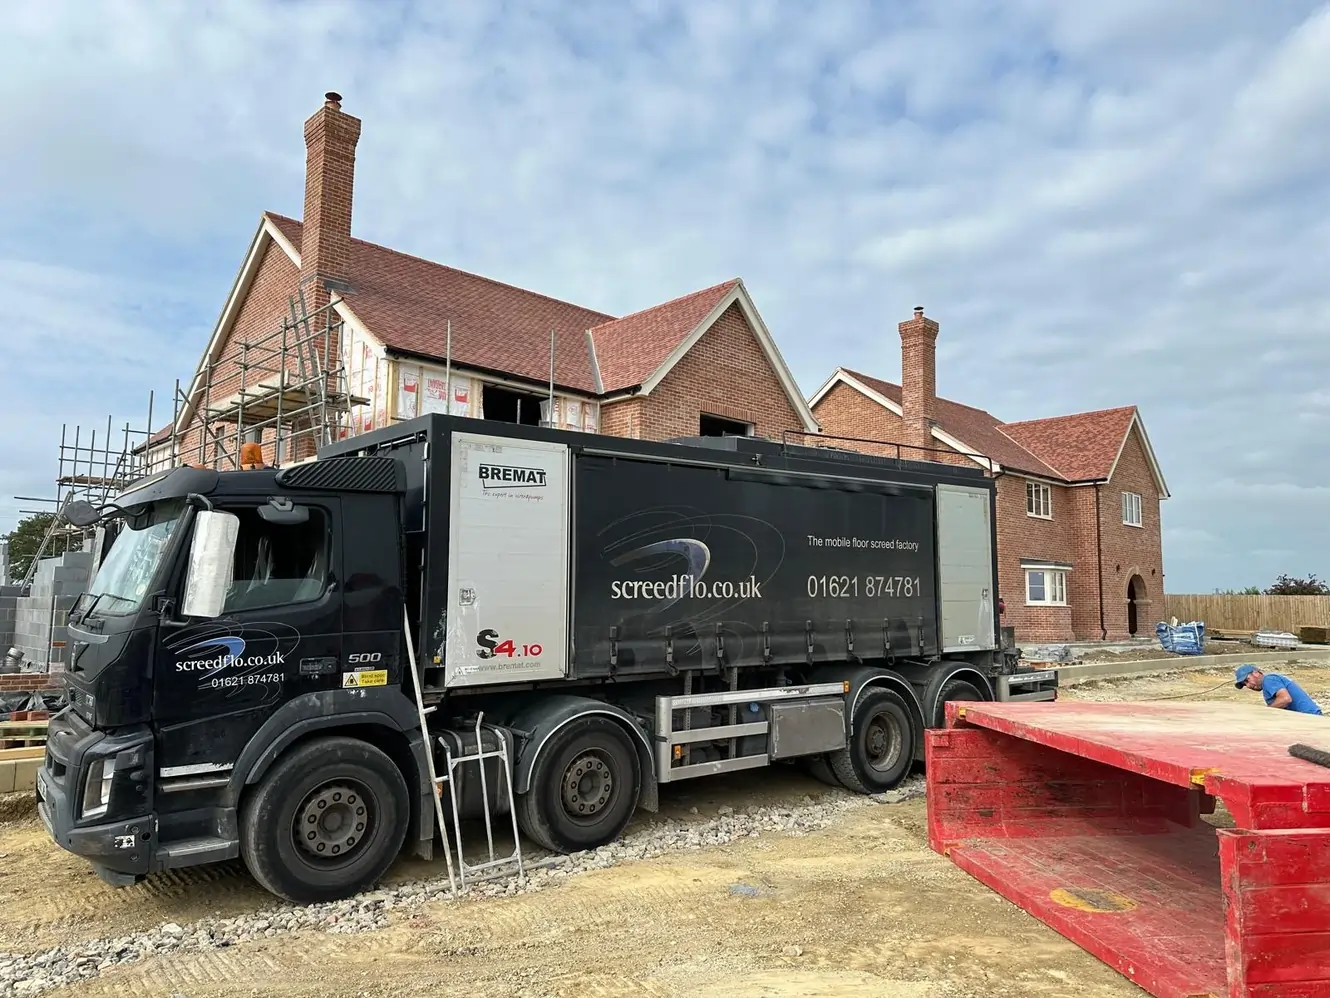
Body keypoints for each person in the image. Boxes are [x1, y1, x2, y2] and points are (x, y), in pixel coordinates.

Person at [1234, 664, 1324, 715]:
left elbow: (1285, 699)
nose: (1248, 686)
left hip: (1310, 718)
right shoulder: (1269, 683)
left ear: (1256, 673)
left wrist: (1265, 712)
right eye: (1245, 684)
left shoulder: (1269, 679)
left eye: (1247, 680)